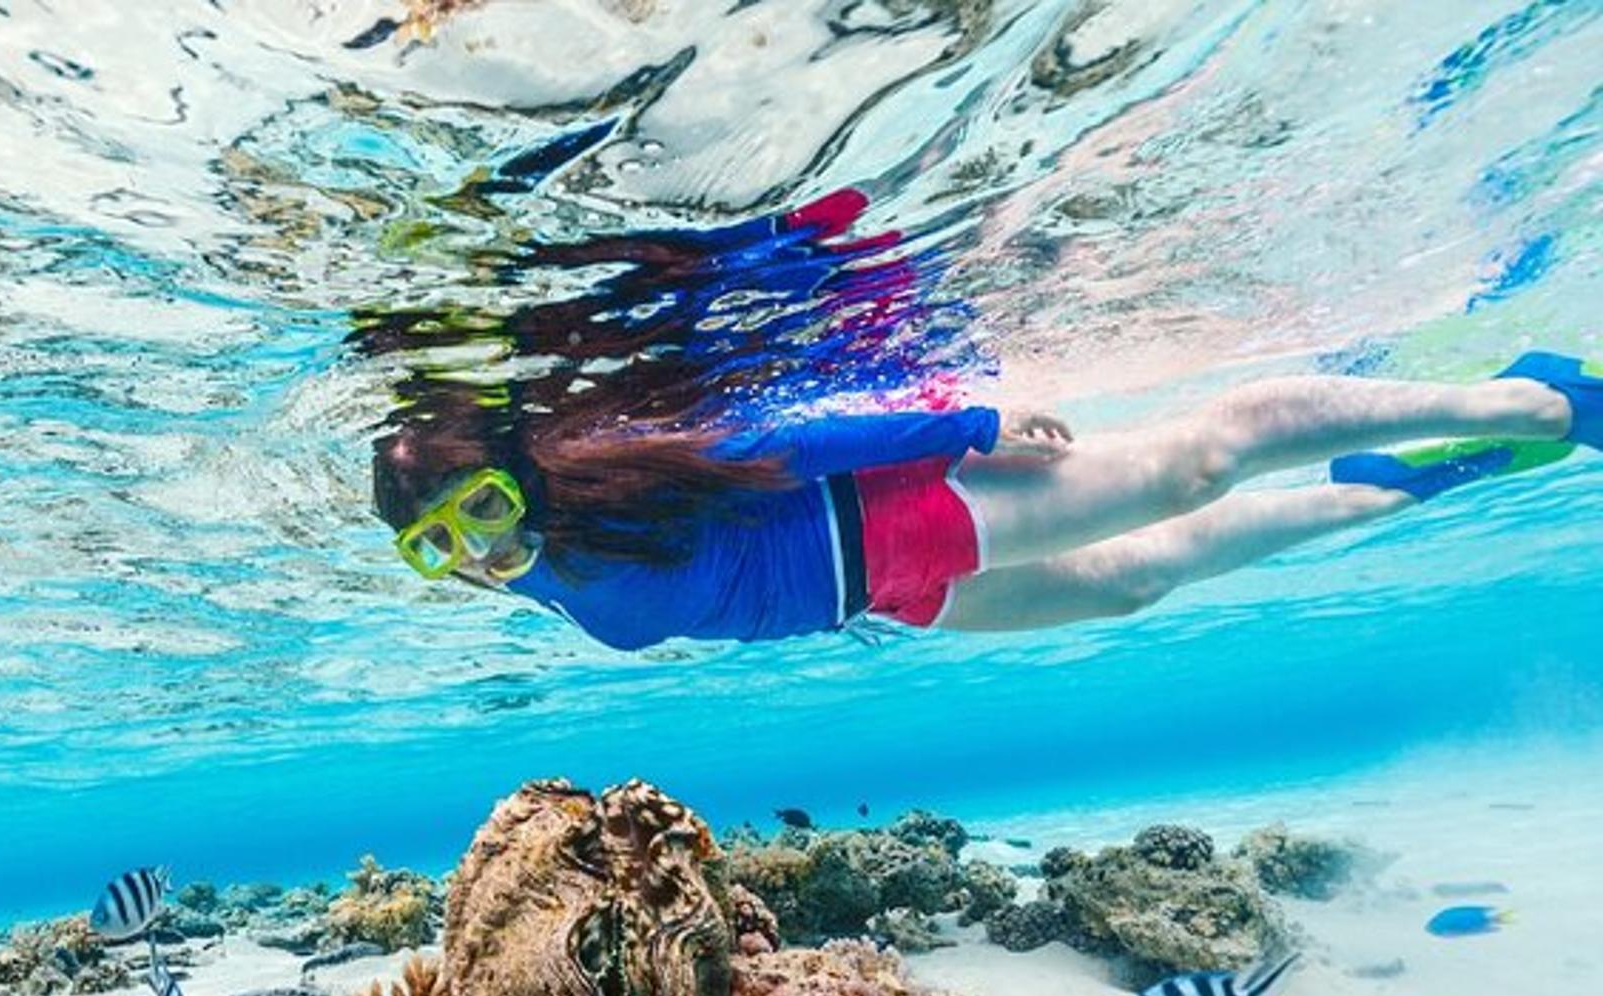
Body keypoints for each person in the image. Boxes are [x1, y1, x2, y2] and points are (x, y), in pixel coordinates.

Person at [365, 198, 1591, 650]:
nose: (473, 549)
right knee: (1131, 587)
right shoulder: (524, 579)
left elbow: (779, 445)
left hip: (889, 511)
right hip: (877, 594)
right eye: (438, 547)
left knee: (1192, 466)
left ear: (516, 475)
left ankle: (1533, 394)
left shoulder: (608, 477)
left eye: (477, 510)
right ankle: (1406, 480)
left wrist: (963, 428)